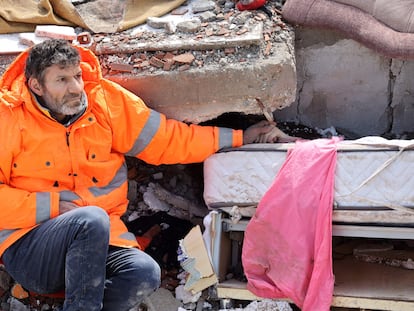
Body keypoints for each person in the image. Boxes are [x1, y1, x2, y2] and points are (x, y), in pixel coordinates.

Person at [0, 39, 280, 311]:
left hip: (100, 239)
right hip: (32, 247)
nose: (75, 88)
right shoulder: (8, 117)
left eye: (77, 76)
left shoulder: (104, 102)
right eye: (62, 80)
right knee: (91, 219)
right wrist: (49, 207)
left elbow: (168, 140)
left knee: (144, 274)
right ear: (36, 85)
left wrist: (240, 137)